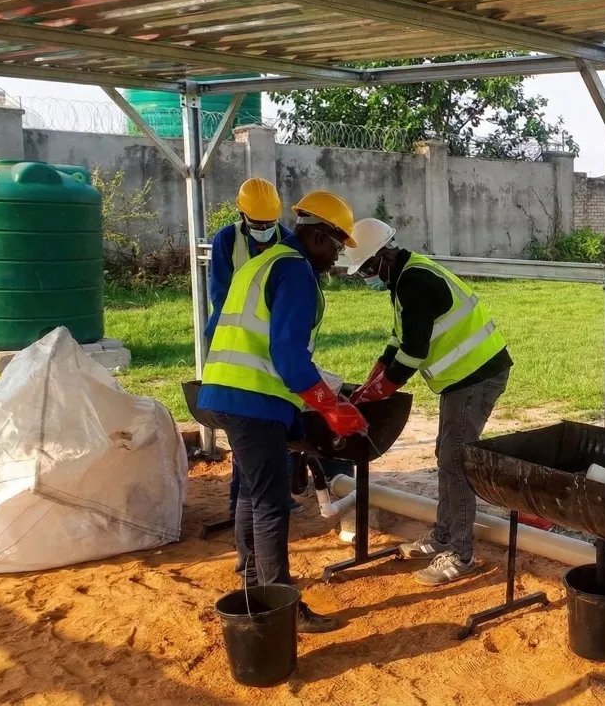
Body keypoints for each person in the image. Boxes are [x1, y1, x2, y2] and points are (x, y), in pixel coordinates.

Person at [198, 191, 368, 633]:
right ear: (315, 236)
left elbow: (226, 328)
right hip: (253, 399)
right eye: (335, 245)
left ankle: (256, 590)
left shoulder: (263, 263)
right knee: (271, 503)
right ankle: (281, 607)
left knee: (255, 494)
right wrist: (331, 408)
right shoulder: (294, 272)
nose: (336, 257)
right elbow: (288, 356)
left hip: (227, 394)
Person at [337, 218, 512, 586]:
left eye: (367, 267)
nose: (366, 275)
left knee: (456, 460)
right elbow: (398, 340)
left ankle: (460, 554)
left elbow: (413, 354)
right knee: (447, 455)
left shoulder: (415, 281)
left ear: (383, 254)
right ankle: (444, 535)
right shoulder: (402, 278)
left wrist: (380, 392)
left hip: (477, 374)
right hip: (462, 378)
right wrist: (372, 378)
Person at [204, 177, 300, 518]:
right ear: (241, 214)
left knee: (270, 426)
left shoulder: (288, 241)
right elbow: (220, 293)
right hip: (235, 338)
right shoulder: (226, 240)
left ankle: (270, 494)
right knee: (248, 425)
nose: (263, 230)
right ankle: (243, 498)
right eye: (256, 224)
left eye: (268, 224)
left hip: (272, 339)